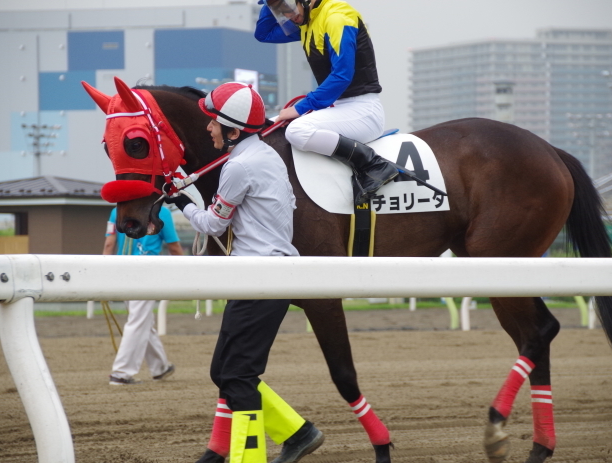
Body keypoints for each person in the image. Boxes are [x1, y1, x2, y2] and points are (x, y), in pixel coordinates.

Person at [165, 82, 324, 463]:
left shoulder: (238, 166)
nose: (209, 129)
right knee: (224, 371)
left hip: (261, 280)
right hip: (263, 277)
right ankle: (297, 432)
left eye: (215, 123)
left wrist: (181, 202)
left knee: (236, 378)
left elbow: (212, 226)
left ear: (235, 131)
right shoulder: (264, 154)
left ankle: (248, 457)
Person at [255, 0, 397, 204]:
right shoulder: (307, 22)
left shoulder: (337, 18)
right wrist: (271, 3)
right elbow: (263, 34)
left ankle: (373, 164)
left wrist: (300, 108)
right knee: (268, 127)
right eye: (280, 10)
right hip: (339, 109)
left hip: (364, 110)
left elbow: (342, 75)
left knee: (296, 131)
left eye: (288, 7)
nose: (287, 15)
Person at [103, 205, 183, 386]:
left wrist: (103, 272)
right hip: (147, 272)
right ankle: (121, 373)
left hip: (122, 270)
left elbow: (109, 243)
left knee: (142, 319)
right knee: (138, 320)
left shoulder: (118, 210)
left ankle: (160, 367)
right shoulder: (162, 212)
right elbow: (174, 247)